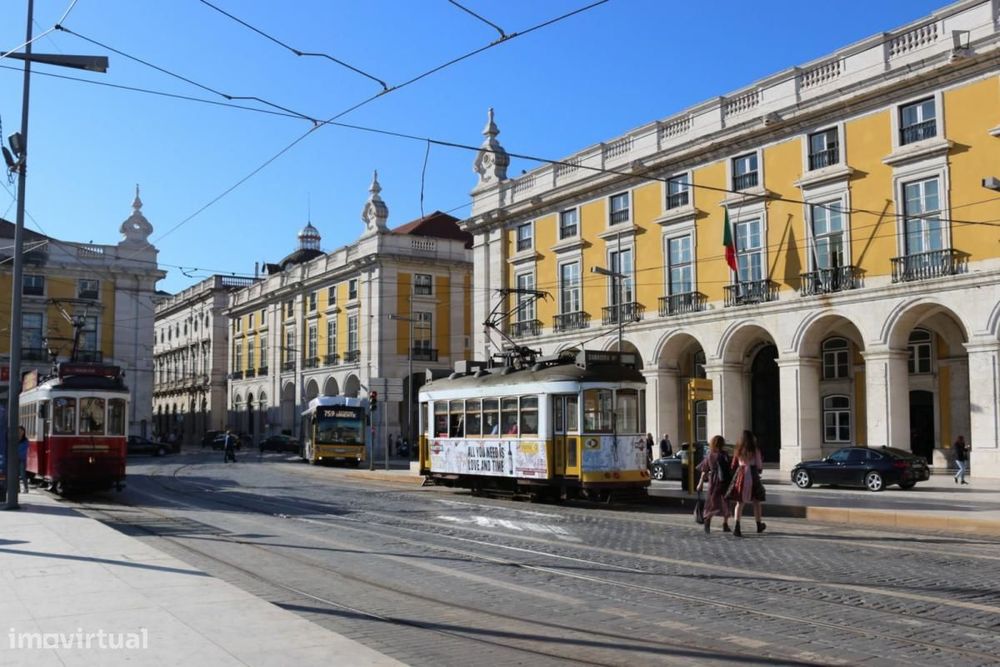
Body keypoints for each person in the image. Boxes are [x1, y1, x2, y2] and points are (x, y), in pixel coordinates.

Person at [727, 430, 765, 537]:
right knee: (756, 501)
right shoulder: (755, 449)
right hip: (752, 475)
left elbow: (733, 465)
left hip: (741, 475)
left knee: (740, 503)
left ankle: (737, 527)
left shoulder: (738, 449)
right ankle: (758, 525)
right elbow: (759, 465)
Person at [696, 435, 731, 534]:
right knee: (726, 502)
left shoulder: (710, 455)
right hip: (725, 481)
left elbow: (704, 470)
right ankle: (725, 524)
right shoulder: (725, 455)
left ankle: (707, 521)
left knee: (712, 503)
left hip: (714, 482)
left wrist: (700, 483)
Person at [17, 426, 29, 493]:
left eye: (21, 431)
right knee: (16, 475)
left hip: (22, 459)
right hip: (15, 459)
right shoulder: (15, 439)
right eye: (19, 431)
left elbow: (24, 450)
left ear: (24, 432)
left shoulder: (25, 440)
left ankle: (26, 488)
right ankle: (18, 489)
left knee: (22, 474)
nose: (20, 432)